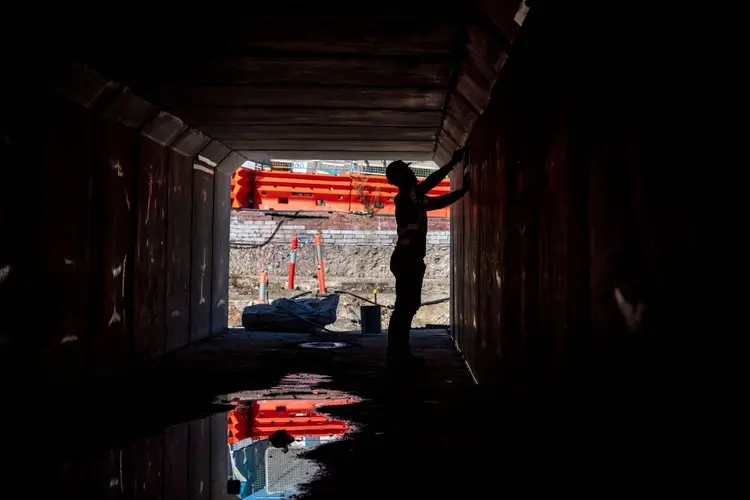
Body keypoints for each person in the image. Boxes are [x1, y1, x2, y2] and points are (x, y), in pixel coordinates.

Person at [385, 148, 470, 369]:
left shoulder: (411, 199)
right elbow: (430, 184)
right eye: (407, 171)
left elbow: (435, 203)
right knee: (405, 306)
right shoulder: (407, 196)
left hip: (407, 258)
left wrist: (461, 192)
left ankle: (398, 353)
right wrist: (452, 164)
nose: (413, 175)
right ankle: (397, 355)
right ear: (402, 178)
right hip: (408, 259)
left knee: (407, 306)